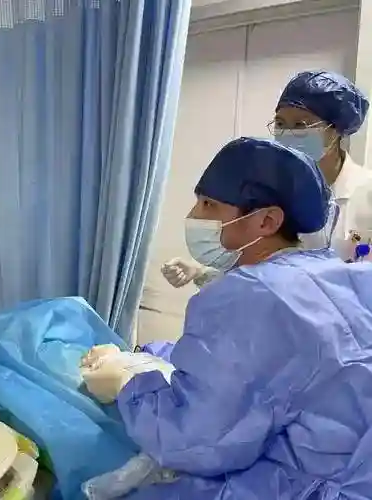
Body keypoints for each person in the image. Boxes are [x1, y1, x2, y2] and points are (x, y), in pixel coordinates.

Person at [84, 137, 372, 499]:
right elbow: (280, 370)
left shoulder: (253, 295)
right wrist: (154, 354)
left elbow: (195, 441)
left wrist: (127, 386)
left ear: (267, 220)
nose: (194, 216)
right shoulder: (340, 273)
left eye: (209, 204)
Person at [163, 70, 372, 289]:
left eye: (301, 125)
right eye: (280, 123)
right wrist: (202, 271)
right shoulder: (272, 190)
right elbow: (257, 265)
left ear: (336, 130)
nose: (287, 133)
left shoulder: (366, 192)